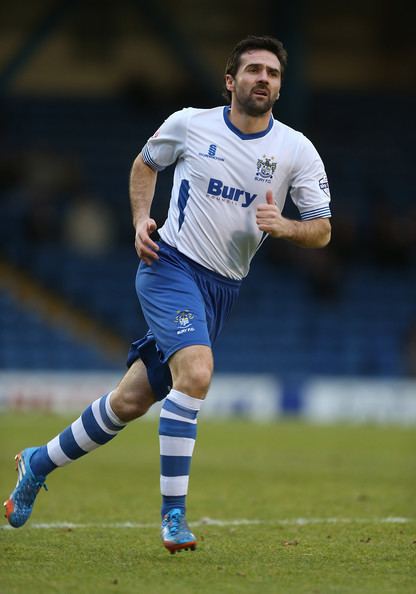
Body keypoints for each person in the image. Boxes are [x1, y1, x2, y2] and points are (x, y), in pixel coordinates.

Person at [4, 35, 331, 553]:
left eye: (272, 72)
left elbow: (323, 229)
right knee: (197, 372)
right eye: (253, 70)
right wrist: (139, 221)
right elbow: (145, 163)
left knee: (131, 400)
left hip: (223, 288)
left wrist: (286, 227)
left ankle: (36, 462)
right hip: (168, 266)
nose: (263, 79)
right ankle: (173, 517)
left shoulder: (296, 150)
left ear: (280, 86)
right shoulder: (189, 124)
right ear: (231, 81)